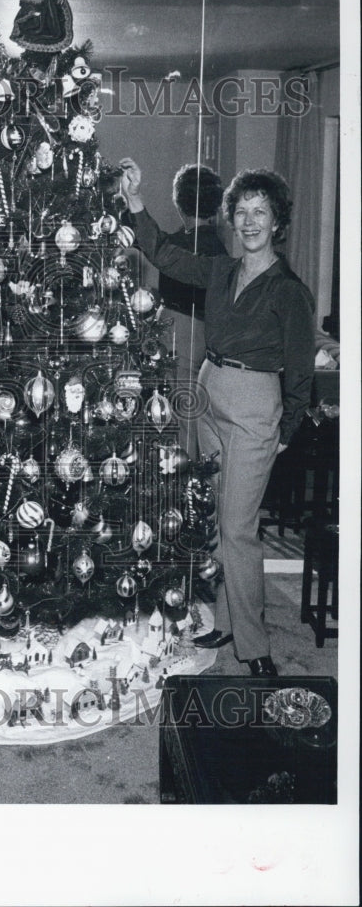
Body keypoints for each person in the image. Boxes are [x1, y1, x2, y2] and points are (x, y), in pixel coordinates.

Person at [120, 159, 314, 677]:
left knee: (238, 527)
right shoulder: (222, 269)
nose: (250, 222)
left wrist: (286, 433)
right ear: (230, 219)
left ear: (277, 223)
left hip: (254, 405)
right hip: (209, 390)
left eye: (261, 213)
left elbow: (299, 373)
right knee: (209, 512)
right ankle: (226, 619)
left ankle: (254, 646)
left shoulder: (290, 291)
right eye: (242, 212)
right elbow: (162, 253)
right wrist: (137, 202)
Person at [153, 164, 228, 459]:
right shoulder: (221, 248)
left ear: (178, 201)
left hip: (178, 331)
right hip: (211, 333)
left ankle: (181, 488)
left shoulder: (173, 244)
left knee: (178, 417)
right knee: (201, 414)